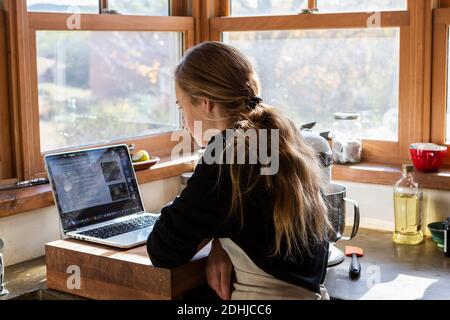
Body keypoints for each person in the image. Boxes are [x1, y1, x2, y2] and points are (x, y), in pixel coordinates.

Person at [147, 41, 330, 300]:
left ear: (206, 103)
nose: (184, 120)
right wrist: (221, 241)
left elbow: (162, 250)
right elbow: (252, 219)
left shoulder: (227, 154)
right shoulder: (276, 136)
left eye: (182, 107)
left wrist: (214, 235)